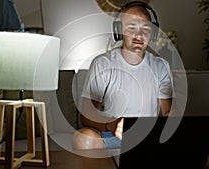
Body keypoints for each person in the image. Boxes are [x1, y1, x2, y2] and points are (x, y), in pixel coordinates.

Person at [72, 2, 174, 150]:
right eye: (131, 27)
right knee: (82, 139)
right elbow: (86, 115)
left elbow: (168, 112)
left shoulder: (161, 66)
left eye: (145, 28)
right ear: (119, 30)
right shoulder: (103, 63)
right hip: (113, 135)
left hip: (149, 136)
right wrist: (111, 125)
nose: (139, 35)